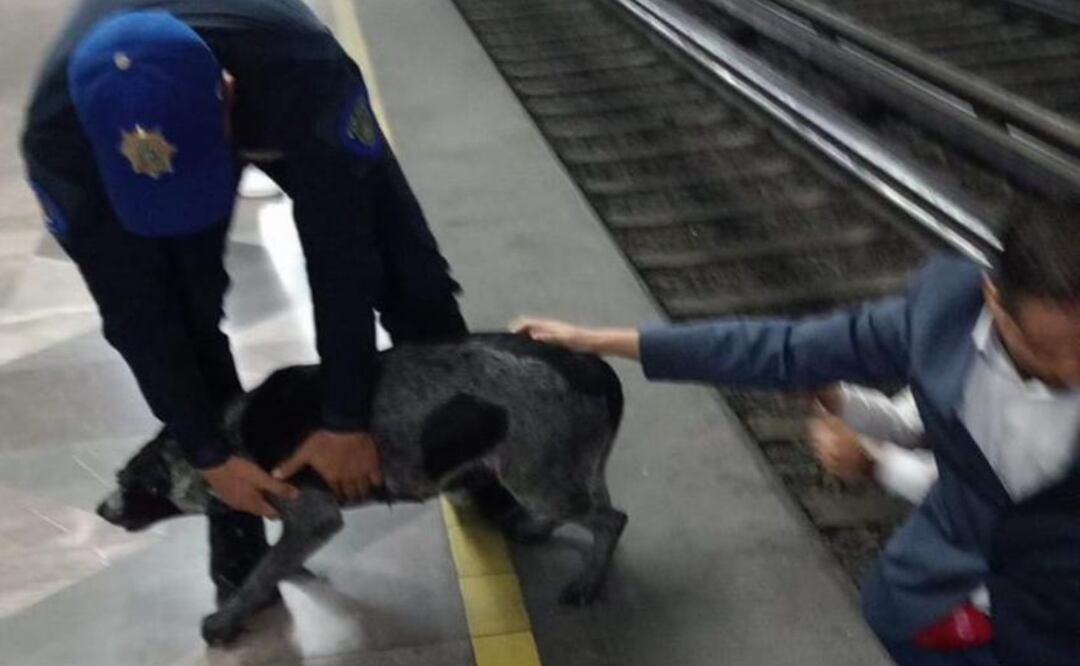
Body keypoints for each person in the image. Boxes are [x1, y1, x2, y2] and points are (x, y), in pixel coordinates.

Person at [21, 1, 468, 601]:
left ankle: (478, 456)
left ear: (228, 97)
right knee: (186, 313)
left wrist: (346, 417)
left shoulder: (303, 68)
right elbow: (136, 316)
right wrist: (206, 453)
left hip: (277, 85)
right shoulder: (59, 141)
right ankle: (234, 513)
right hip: (139, 135)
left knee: (412, 279)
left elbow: (345, 256)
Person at [513, 201, 1080, 666]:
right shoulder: (943, 316)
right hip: (940, 582)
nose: (1074, 371)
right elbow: (781, 348)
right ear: (995, 304)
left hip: (1060, 614)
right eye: (1051, 351)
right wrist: (604, 342)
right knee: (889, 613)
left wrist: (882, 466)